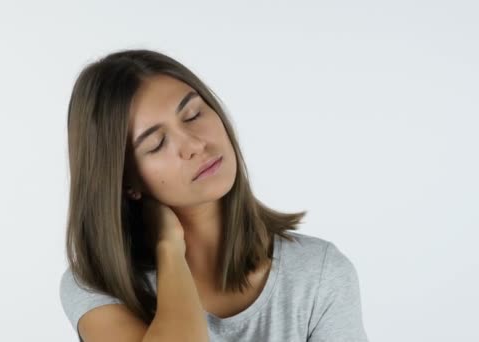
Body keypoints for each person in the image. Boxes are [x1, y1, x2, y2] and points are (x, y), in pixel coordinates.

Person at [59, 48, 369, 342]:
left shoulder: (319, 274)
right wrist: (169, 248)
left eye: (193, 115)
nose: (195, 145)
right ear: (127, 181)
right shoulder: (97, 287)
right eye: (156, 144)